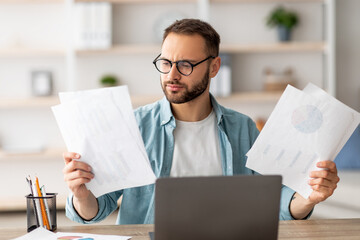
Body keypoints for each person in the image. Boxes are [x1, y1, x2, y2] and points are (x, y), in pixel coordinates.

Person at [63, 19, 340, 224]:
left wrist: (308, 198)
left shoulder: (242, 128)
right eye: (166, 62)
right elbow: (95, 211)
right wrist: (81, 194)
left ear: (214, 67)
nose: (172, 75)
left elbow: (277, 203)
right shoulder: (134, 126)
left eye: (185, 65)